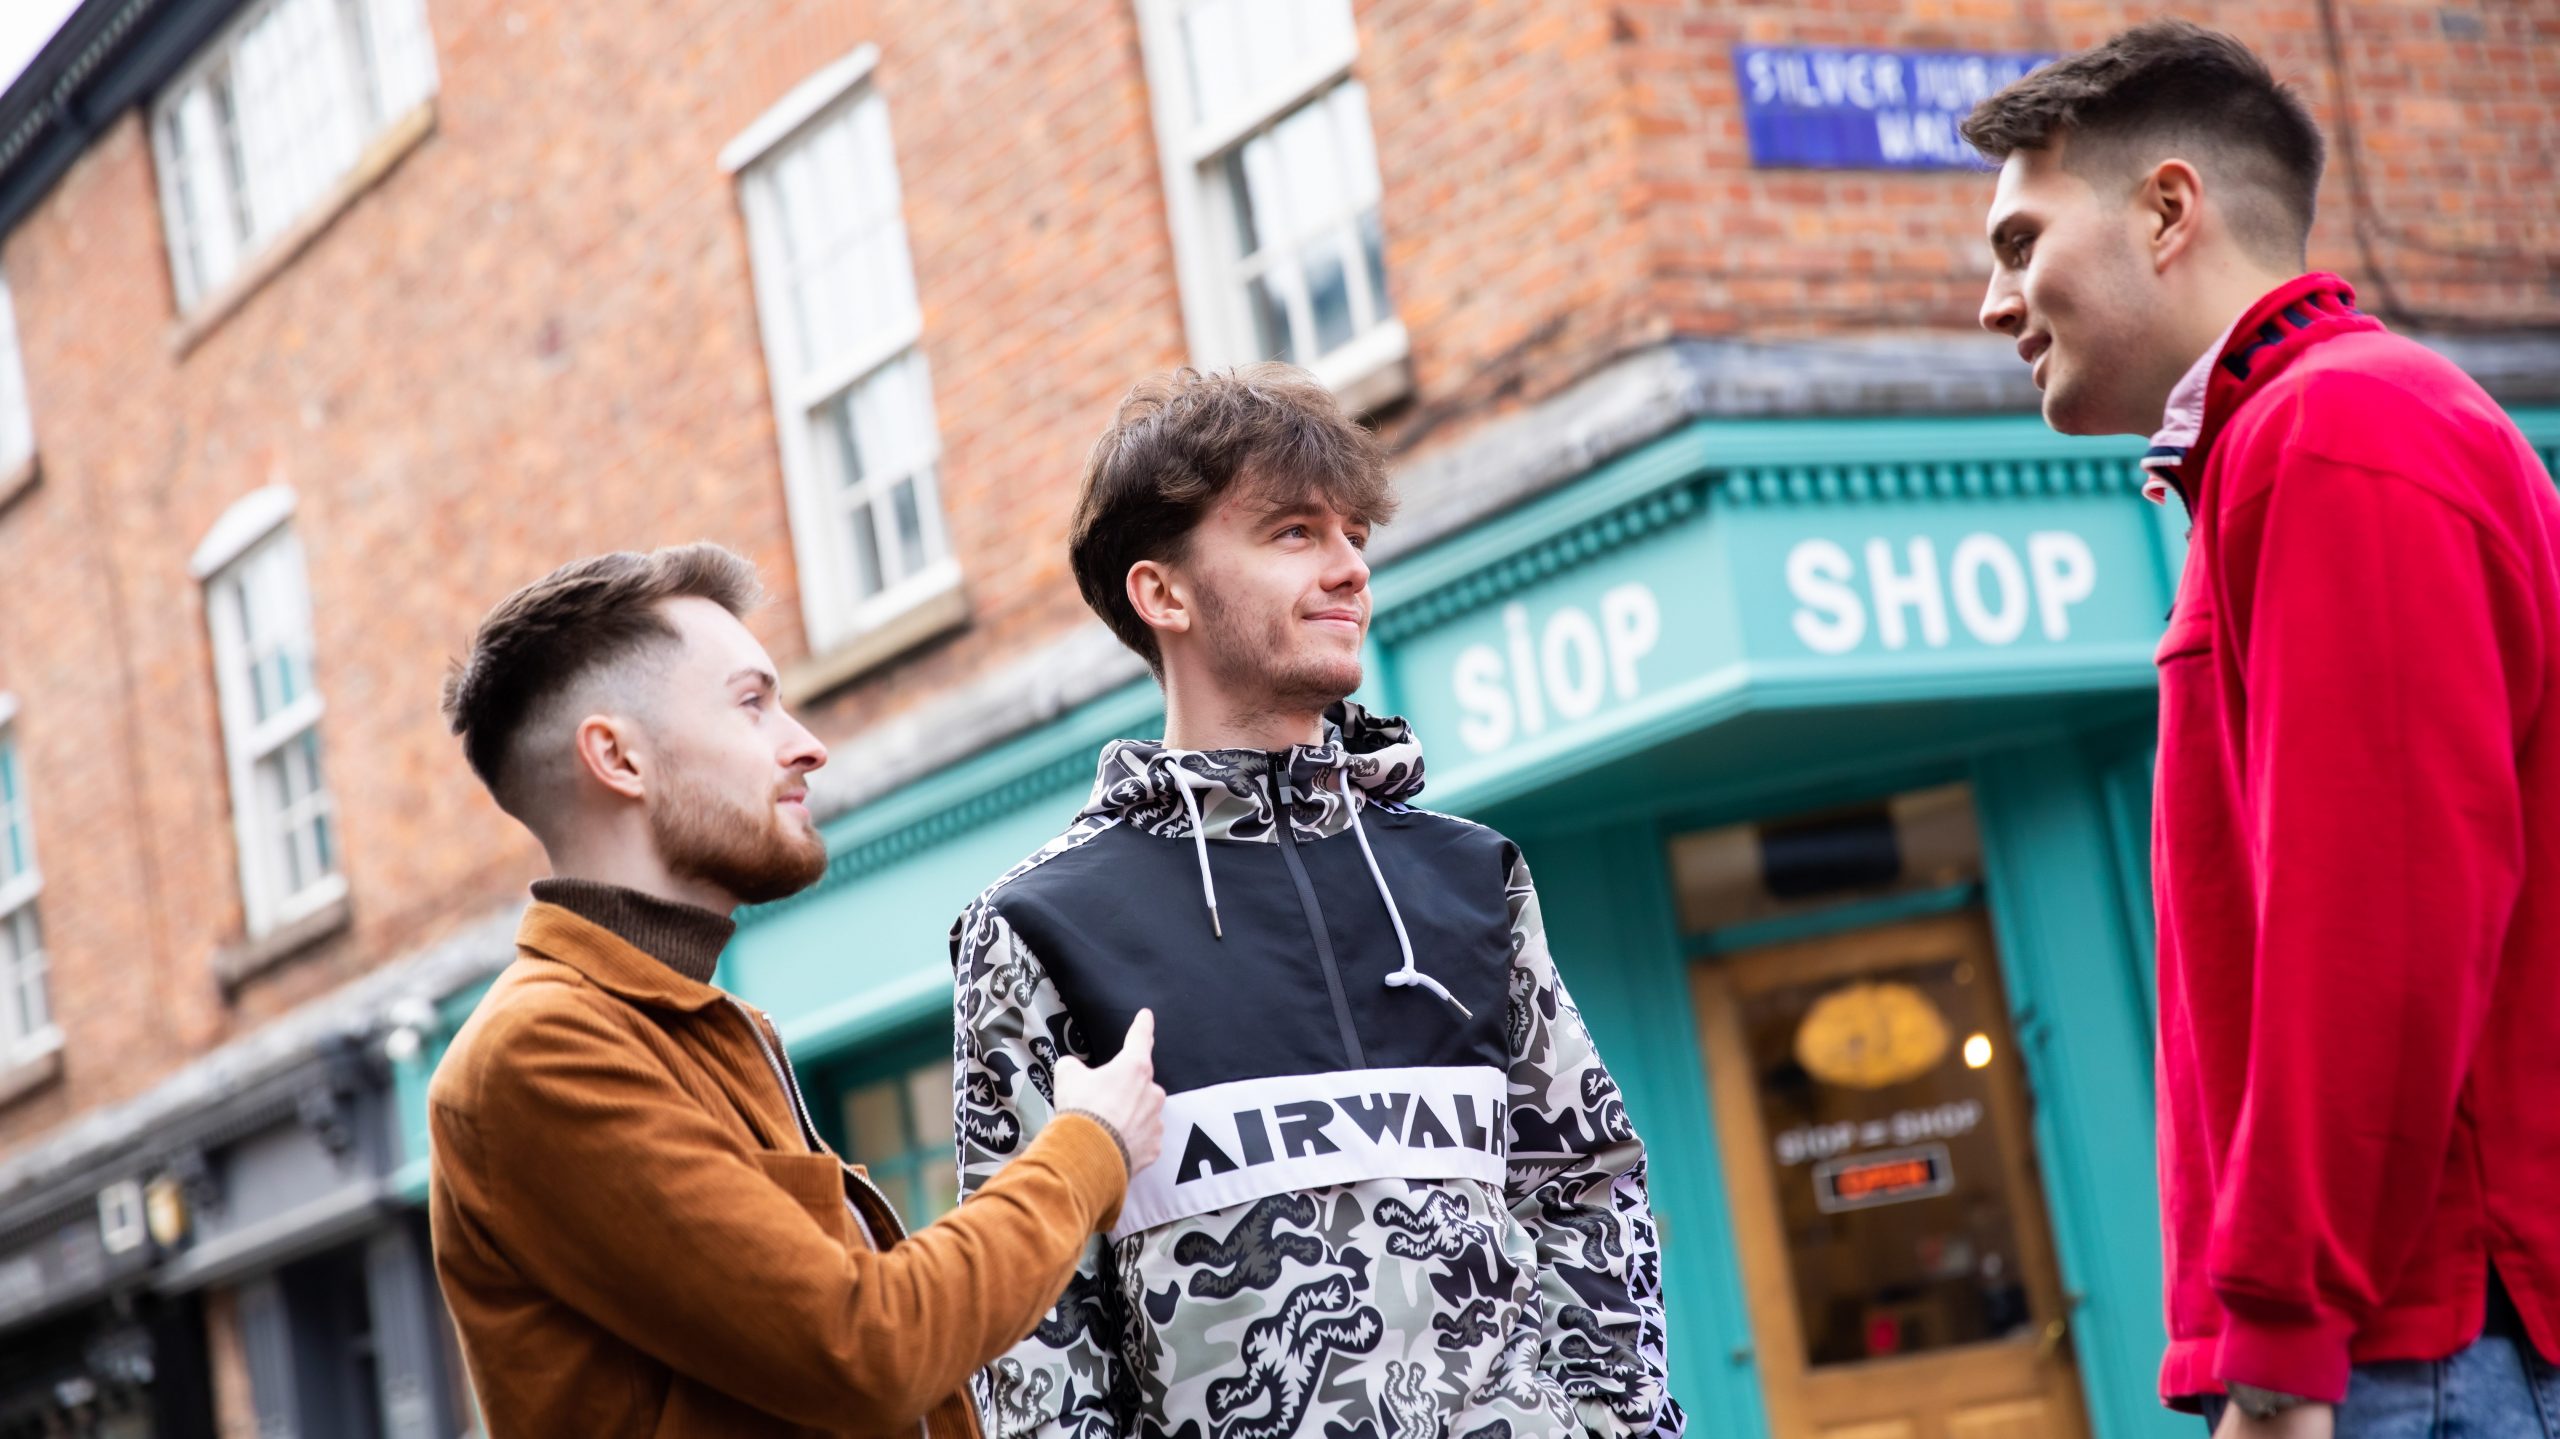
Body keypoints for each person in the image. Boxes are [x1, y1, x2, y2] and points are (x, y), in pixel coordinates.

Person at [1967, 23, 2560, 1439]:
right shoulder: (2298, 439)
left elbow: (2381, 915)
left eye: (2019, 240)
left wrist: (2285, 1346)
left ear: (2169, 209)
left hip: (2421, 1343)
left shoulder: (2340, 432)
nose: (1994, 302)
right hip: (2409, 1335)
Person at [949, 365, 1682, 1438]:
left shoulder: (1472, 874)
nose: (1348, 570)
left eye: (1355, 535)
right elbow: (1033, 1328)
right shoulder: (1040, 924)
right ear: (1165, 594)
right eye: (1293, 532)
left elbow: (1584, 1185)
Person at [427, 543, 1166, 1438]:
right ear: (617, 757)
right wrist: (1089, 1148)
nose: (806, 744)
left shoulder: (707, 1023)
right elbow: (870, 1346)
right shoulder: (539, 1051)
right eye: (752, 703)